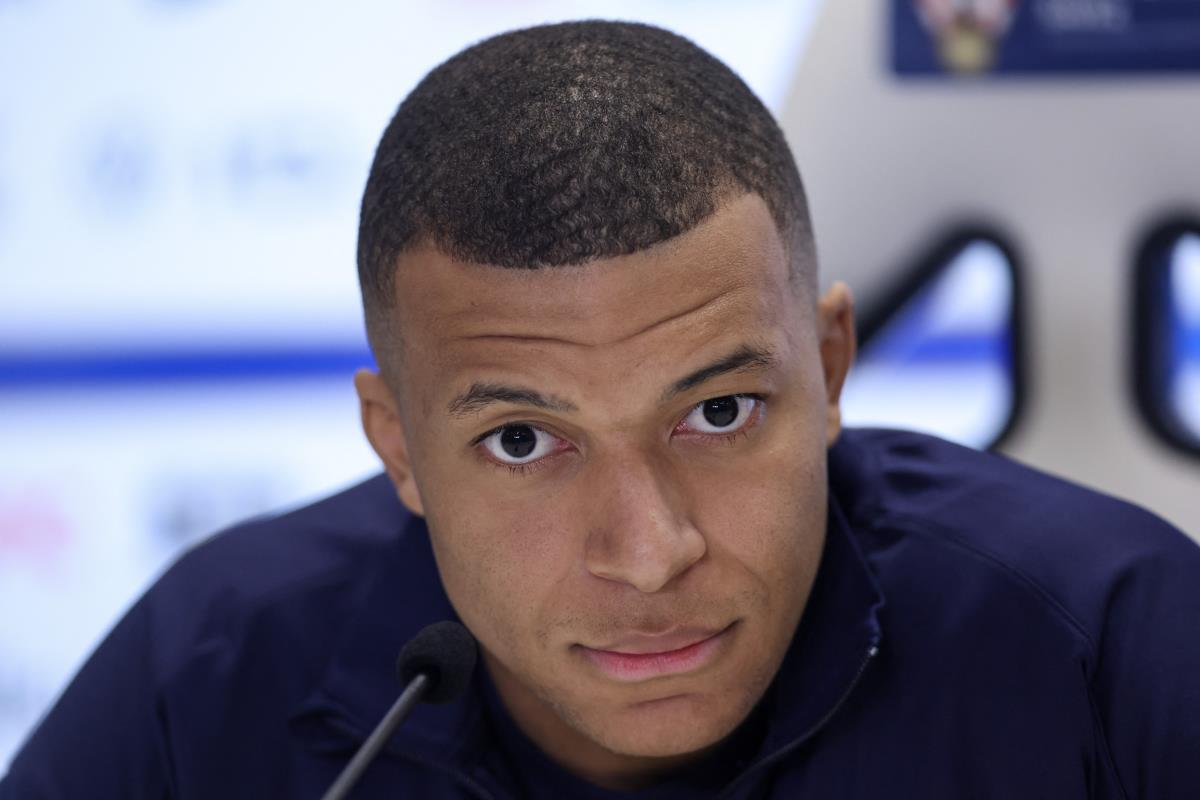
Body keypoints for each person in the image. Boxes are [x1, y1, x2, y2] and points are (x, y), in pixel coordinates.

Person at [3, 19, 1199, 799]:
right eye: (523, 440)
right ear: (398, 446)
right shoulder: (211, 680)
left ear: (830, 368)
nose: (650, 550)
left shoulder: (1111, 642)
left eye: (719, 412)